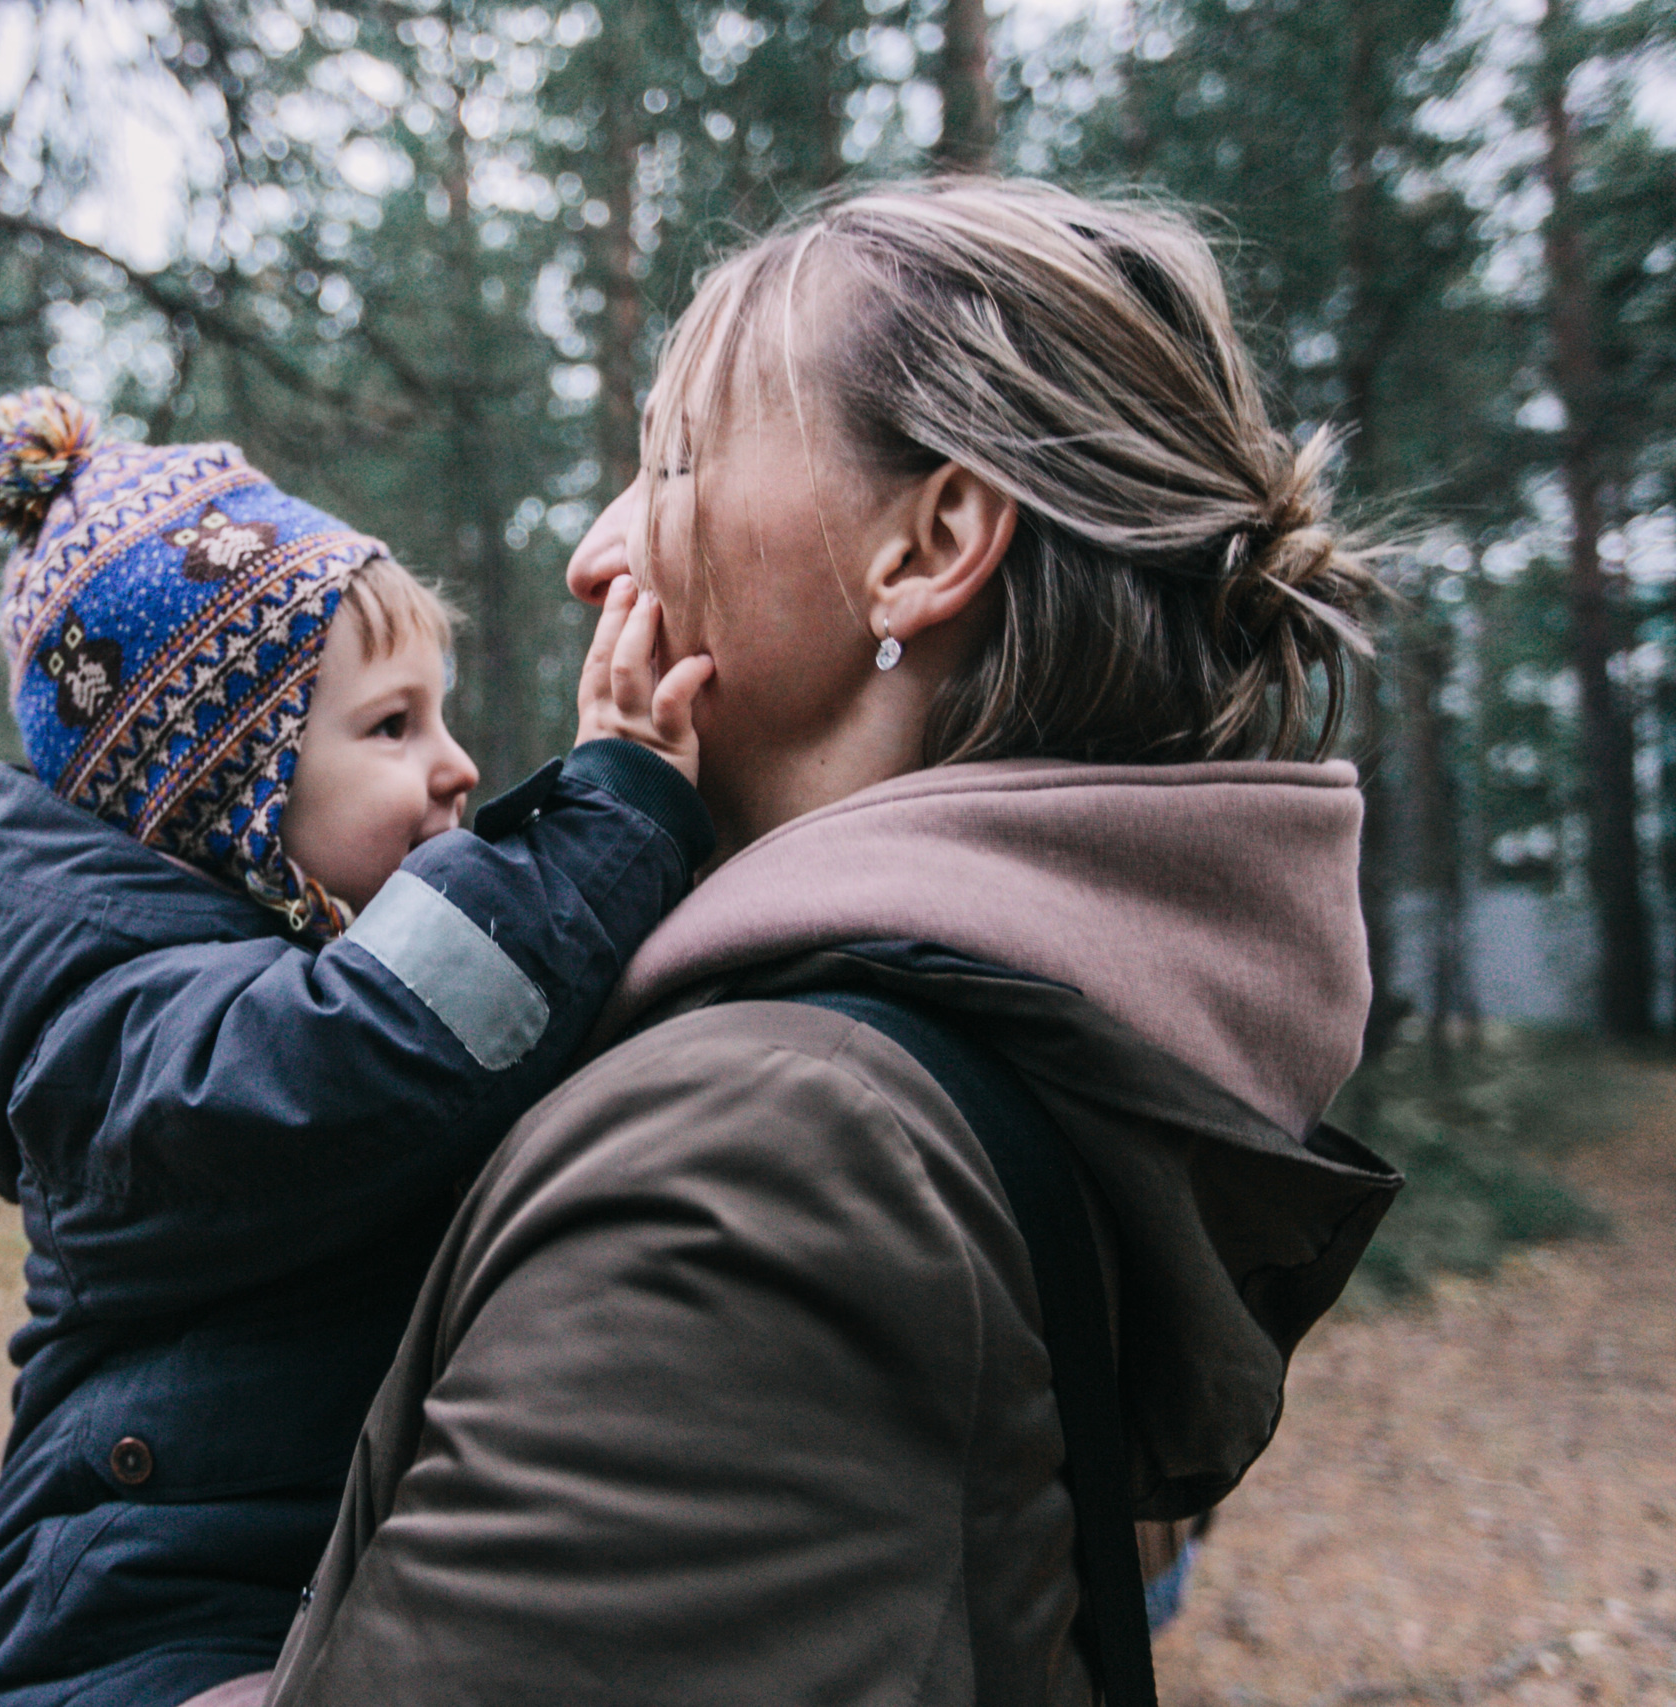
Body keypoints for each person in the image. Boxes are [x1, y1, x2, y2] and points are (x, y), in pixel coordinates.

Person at [261, 179, 1405, 1706]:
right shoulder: (997, 1060)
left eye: (671, 460)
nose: (596, 557)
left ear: (928, 546)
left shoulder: (770, 1154)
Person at [0, 389, 718, 1707]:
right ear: (221, 788)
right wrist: (611, 818)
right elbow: (356, 1061)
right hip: (139, 1654)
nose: (459, 767)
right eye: (393, 726)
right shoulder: (116, 1031)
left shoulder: (261, 969)